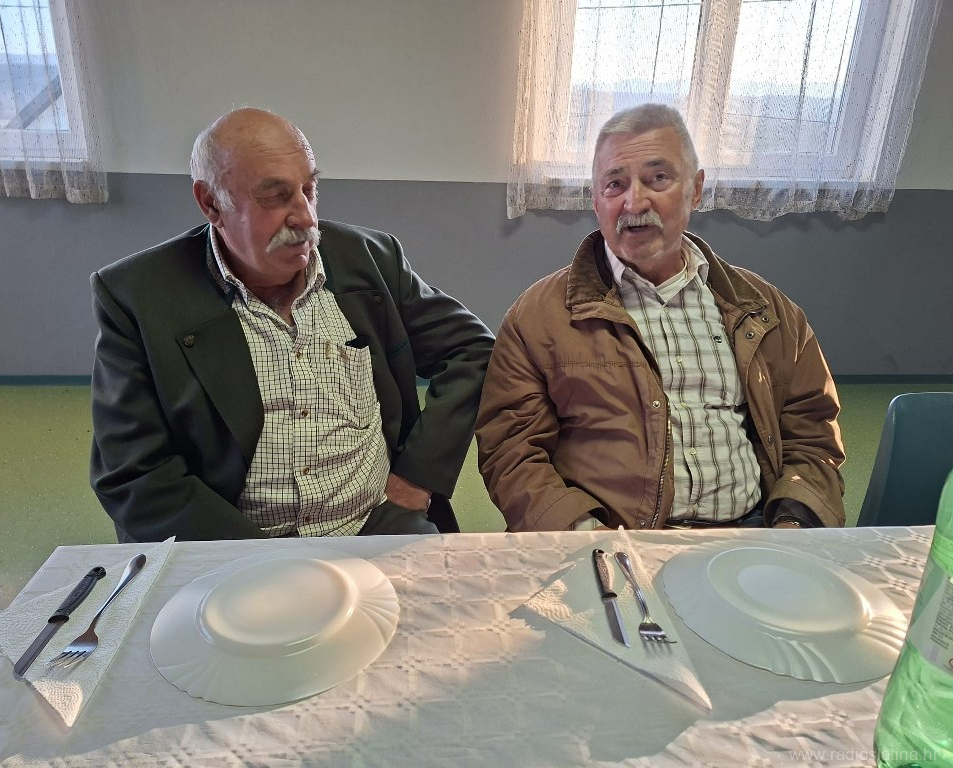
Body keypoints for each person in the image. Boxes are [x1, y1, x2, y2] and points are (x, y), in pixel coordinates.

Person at [90, 108, 493, 542]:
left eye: (309, 189)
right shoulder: (139, 297)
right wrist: (263, 563)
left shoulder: (370, 260)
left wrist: (418, 477)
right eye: (275, 196)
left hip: (379, 525)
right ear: (212, 203)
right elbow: (134, 473)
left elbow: (472, 349)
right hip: (234, 545)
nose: (306, 217)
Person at [475, 103, 844, 532]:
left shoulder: (764, 309)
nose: (635, 201)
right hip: (612, 539)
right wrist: (582, 533)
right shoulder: (538, 317)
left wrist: (792, 525)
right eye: (615, 184)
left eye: (658, 178)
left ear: (696, 189)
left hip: (756, 531)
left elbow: (812, 430)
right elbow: (511, 450)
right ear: (595, 200)